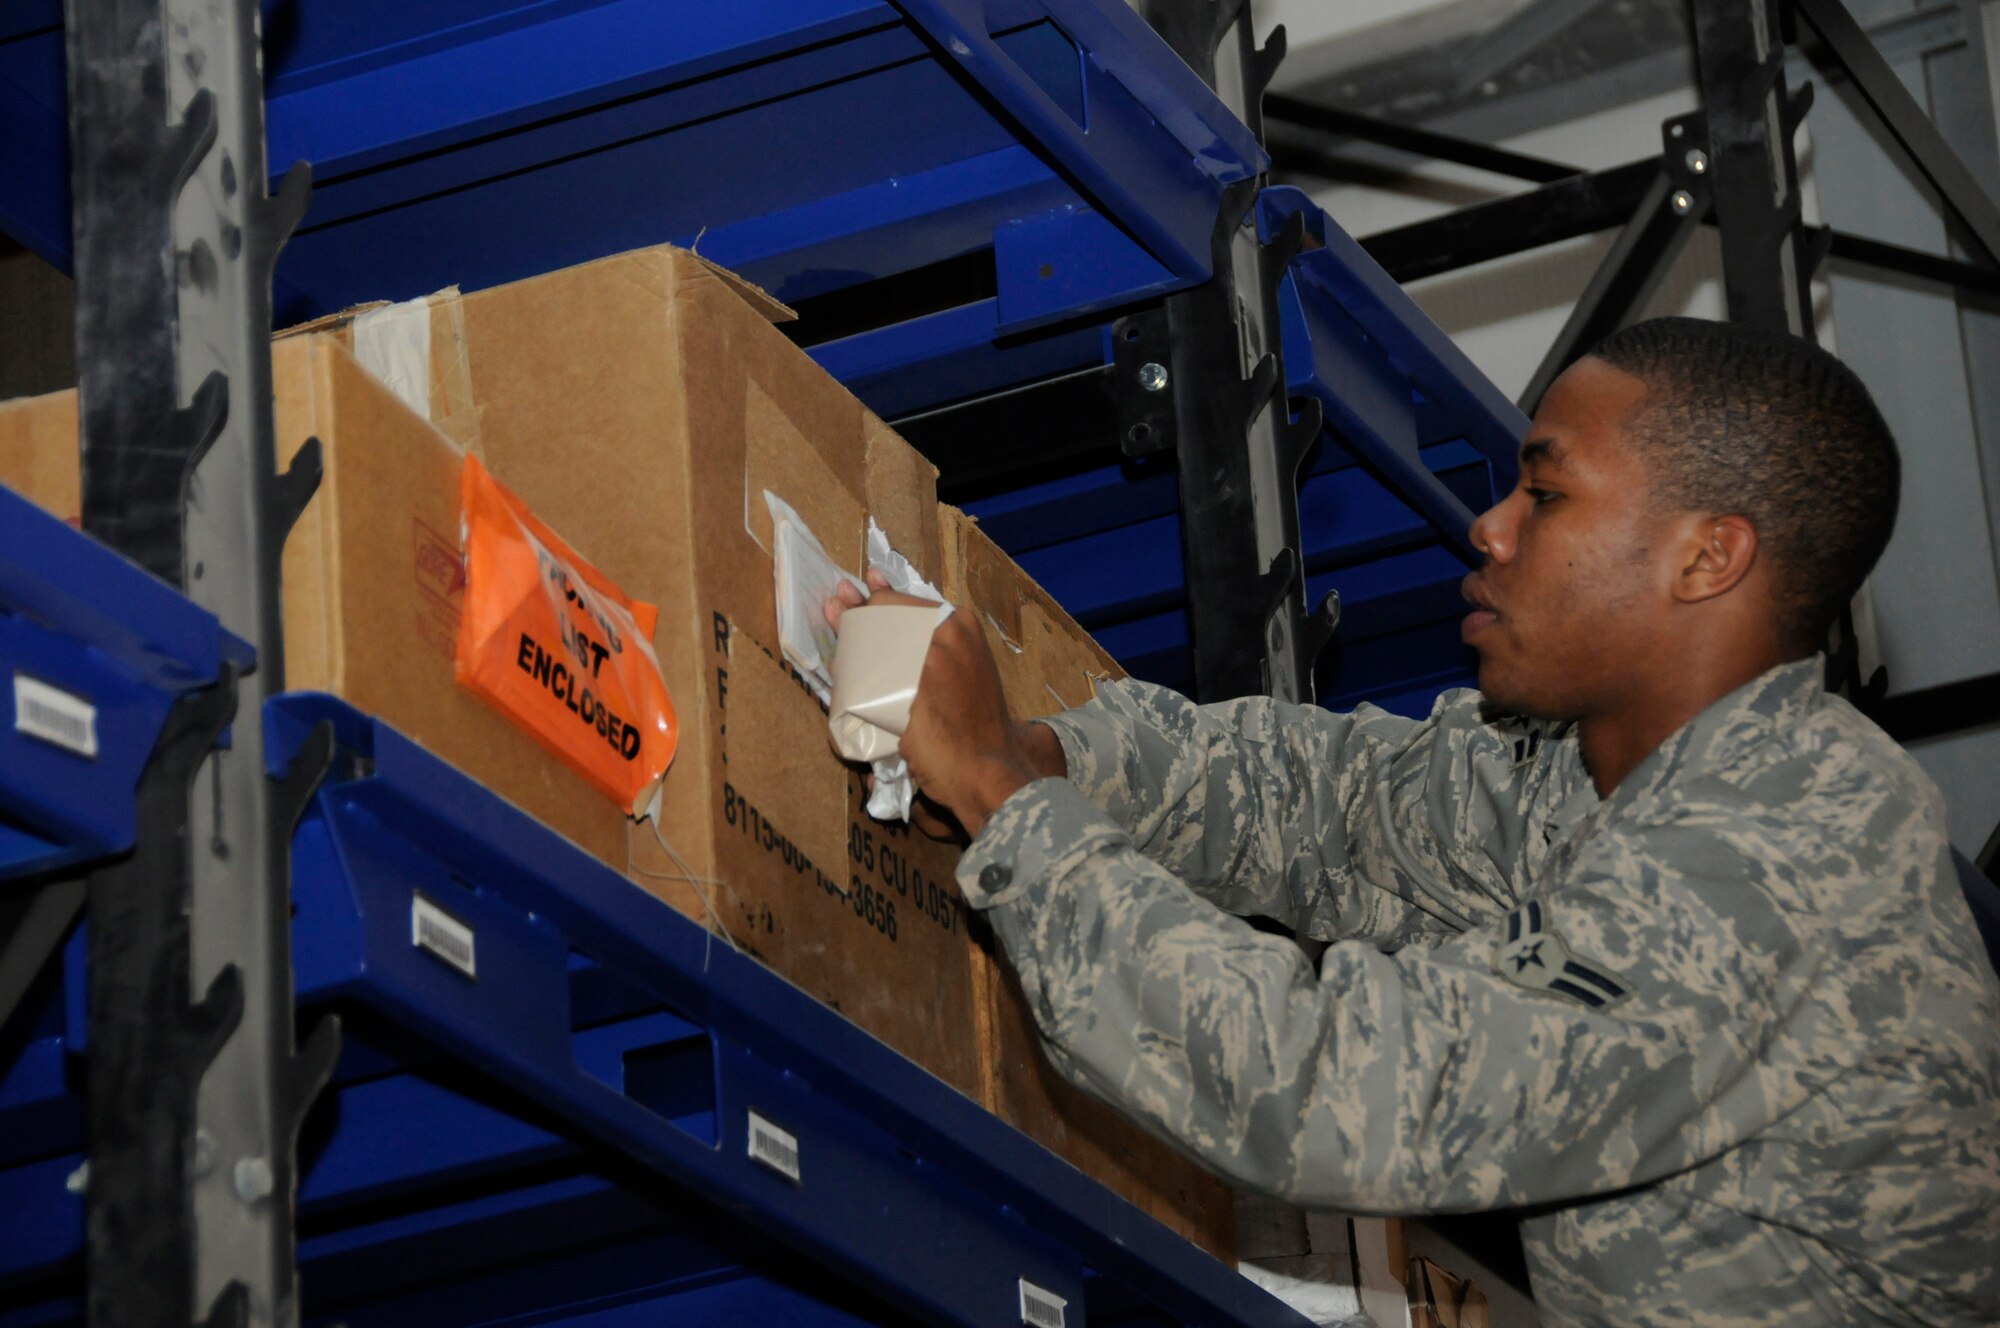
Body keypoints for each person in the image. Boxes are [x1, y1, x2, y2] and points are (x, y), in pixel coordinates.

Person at [826, 317, 2000, 1326]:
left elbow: (1334, 1087)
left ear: (1704, 557)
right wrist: (1050, 759)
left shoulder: (1779, 848)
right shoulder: (1593, 769)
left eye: (1543, 493)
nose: (1489, 527)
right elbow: (1324, 801)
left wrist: (1003, 800)